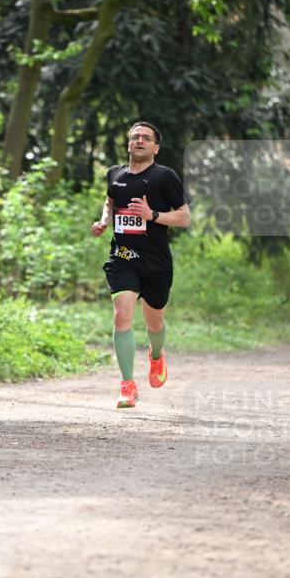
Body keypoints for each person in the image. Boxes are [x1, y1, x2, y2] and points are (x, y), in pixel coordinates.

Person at [91, 121, 191, 408]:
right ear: (128, 143)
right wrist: (104, 221)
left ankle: (156, 355)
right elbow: (110, 201)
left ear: (156, 147)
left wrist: (152, 215)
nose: (139, 141)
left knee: (154, 322)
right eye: (135, 137)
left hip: (156, 261)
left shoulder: (164, 177)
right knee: (122, 315)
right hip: (122, 257)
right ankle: (127, 385)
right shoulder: (115, 173)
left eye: (146, 138)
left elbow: (184, 217)